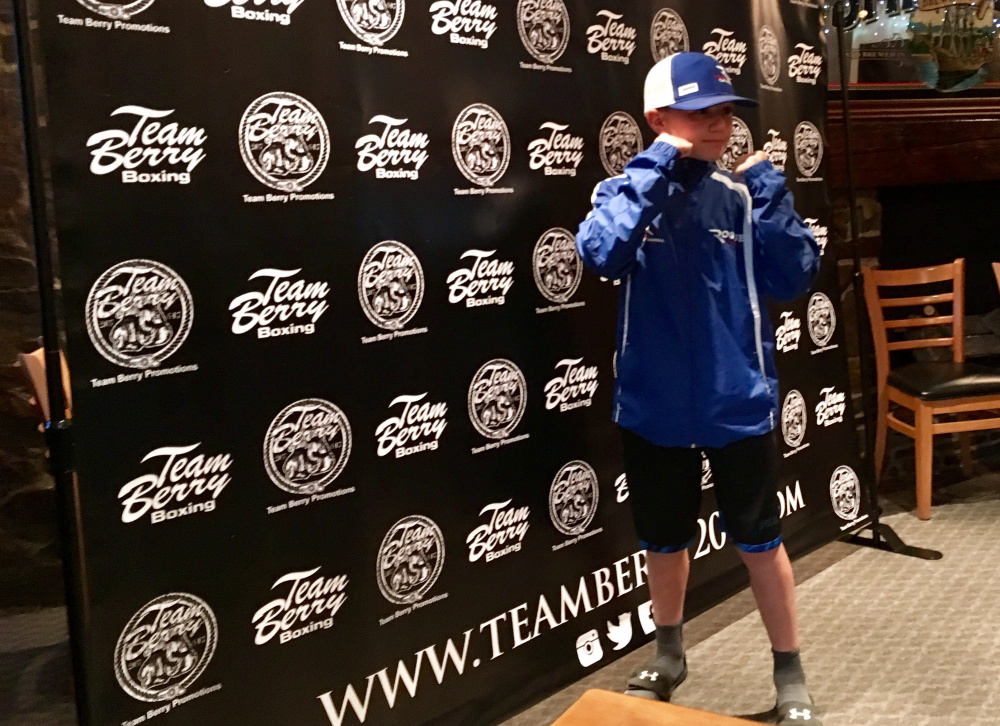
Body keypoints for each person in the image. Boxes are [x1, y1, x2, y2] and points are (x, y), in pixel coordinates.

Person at [575, 53, 822, 725]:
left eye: (726, 112)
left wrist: (770, 189)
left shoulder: (740, 195)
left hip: (733, 403)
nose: (721, 124)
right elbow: (599, 253)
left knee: (759, 540)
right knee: (663, 538)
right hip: (653, 407)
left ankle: (789, 669)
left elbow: (795, 275)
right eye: (703, 112)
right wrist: (656, 165)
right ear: (659, 120)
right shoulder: (621, 193)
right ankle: (669, 652)